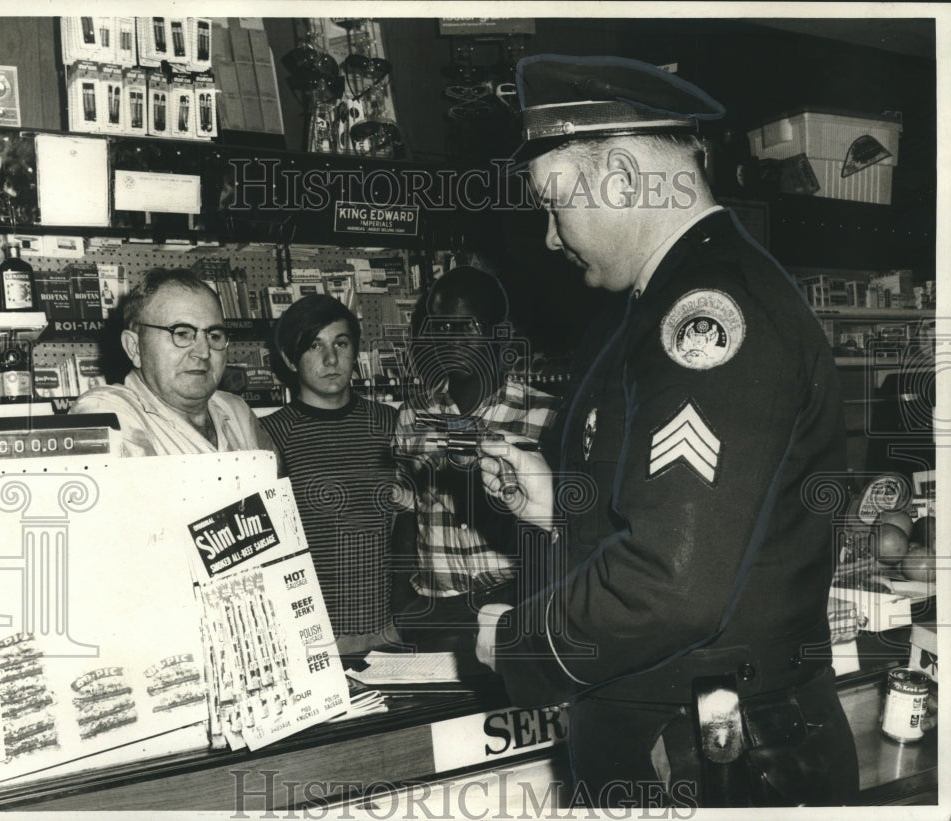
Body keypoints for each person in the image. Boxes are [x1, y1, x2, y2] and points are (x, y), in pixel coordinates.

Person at [473, 55, 858, 807]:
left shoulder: (706, 316)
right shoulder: (664, 302)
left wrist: (524, 642)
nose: (552, 238)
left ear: (619, 176)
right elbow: (716, 526)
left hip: (713, 759)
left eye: (554, 205)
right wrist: (565, 505)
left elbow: (673, 586)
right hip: (700, 747)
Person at [394, 266, 557, 654]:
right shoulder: (411, 416)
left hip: (514, 605)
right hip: (435, 613)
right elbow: (404, 511)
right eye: (441, 328)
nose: (452, 341)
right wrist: (402, 599)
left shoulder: (547, 415)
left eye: (467, 326)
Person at [260, 294, 400, 655]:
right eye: (314, 346)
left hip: (390, 629)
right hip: (313, 637)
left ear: (356, 351)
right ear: (290, 359)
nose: (330, 359)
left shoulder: (391, 424)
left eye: (341, 343)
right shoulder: (268, 436)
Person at [70, 268, 275, 459]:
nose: (203, 352)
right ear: (134, 347)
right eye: (182, 334)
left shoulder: (236, 411)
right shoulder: (104, 412)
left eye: (214, 335)